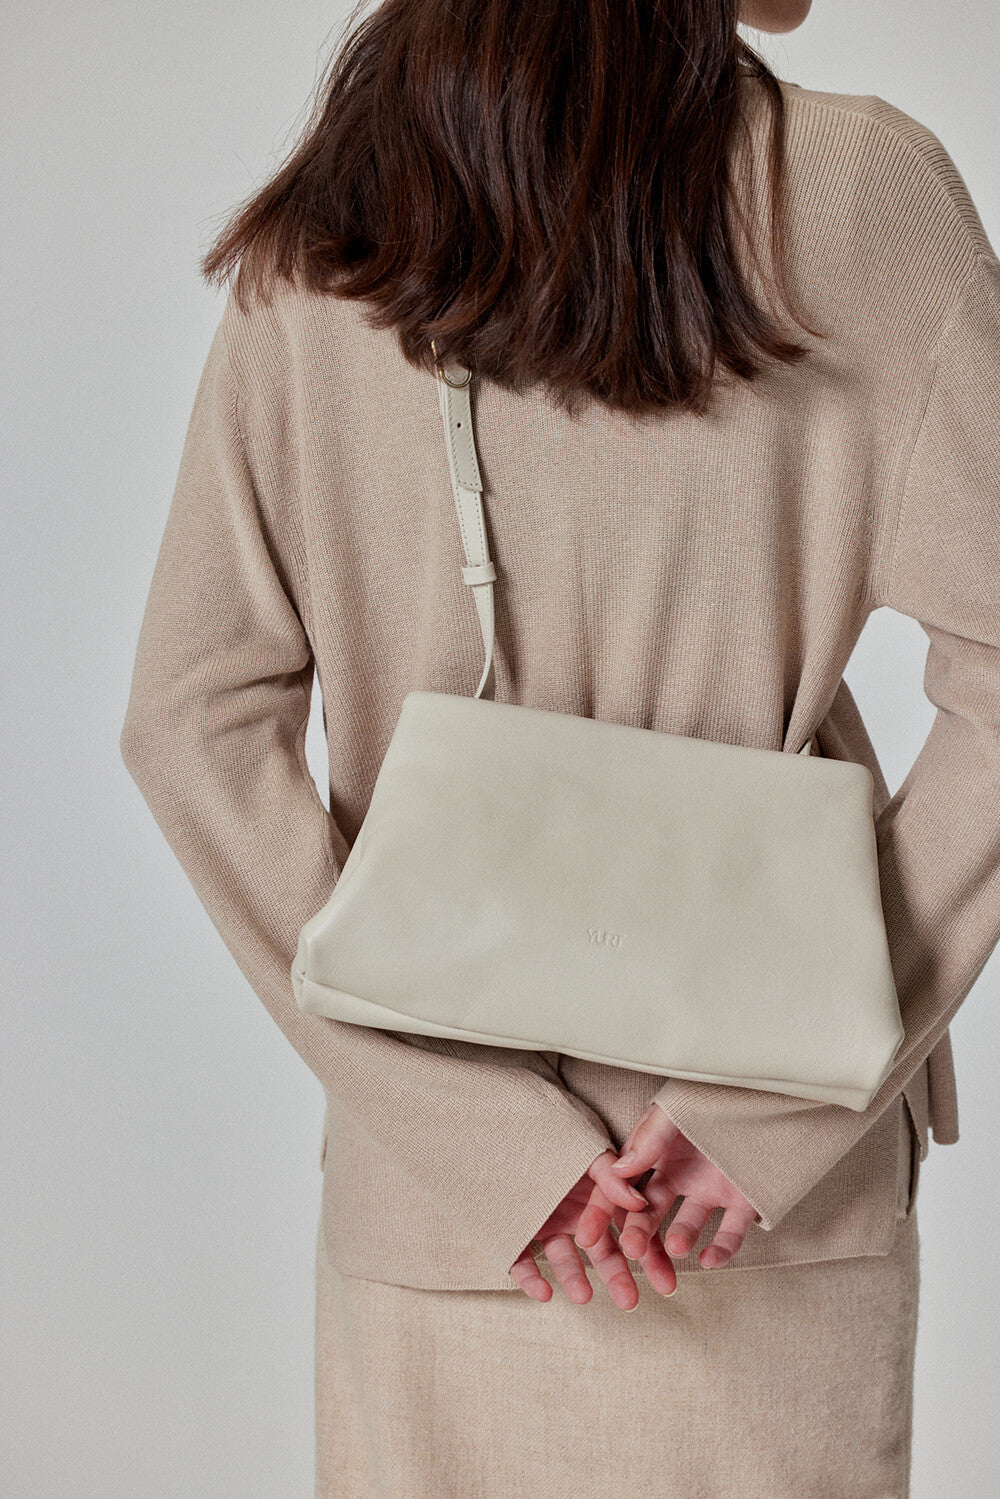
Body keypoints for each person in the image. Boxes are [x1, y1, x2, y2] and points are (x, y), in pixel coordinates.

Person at [119, 0, 1000, 1494]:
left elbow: (190, 718)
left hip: (446, 1217)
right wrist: (780, 1108)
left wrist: (478, 1142)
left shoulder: (338, 223)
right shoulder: (858, 194)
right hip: (756, 1212)